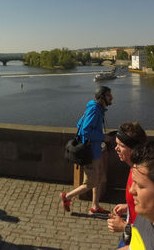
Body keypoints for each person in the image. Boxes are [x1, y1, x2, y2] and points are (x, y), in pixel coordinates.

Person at [61, 86, 114, 215]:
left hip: (96, 150)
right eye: (108, 95)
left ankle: (95, 206)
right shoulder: (95, 110)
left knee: (99, 177)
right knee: (89, 183)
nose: (111, 97)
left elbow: (79, 124)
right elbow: (85, 130)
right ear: (101, 97)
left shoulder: (97, 109)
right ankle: (67, 197)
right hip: (90, 153)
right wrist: (103, 137)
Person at [107, 122, 147, 248]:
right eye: (116, 144)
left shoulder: (144, 177)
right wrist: (128, 205)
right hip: (132, 232)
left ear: (134, 149)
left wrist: (124, 226)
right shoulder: (134, 168)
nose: (115, 148)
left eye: (121, 145)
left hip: (139, 238)